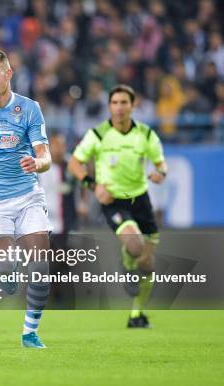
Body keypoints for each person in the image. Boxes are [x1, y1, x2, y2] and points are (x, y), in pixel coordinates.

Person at [68, 84, 167, 328]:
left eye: (124, 103)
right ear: (110, 106)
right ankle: (126, 262)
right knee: (134, 245)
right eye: (115, 103)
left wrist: (159, 173)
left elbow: (161, 165)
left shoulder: (146, 134)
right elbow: (75, 163)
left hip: (141, 200)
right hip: (113, 201)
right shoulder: (99, 134)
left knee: (147, 263)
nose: (119, 108)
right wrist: (93, 186)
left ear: (133, 106)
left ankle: (137, 315)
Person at [0, 49, 52, 348]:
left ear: (8, 73)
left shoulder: (29, 109)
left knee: (41, 264)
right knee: (6, 264)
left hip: (28, 196)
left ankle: (29, 332)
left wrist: (38, 163)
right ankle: (8, 272)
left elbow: (44, 155)